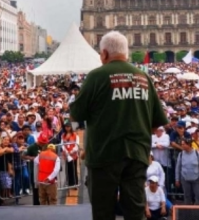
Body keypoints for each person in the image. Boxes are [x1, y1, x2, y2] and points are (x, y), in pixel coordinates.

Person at [69, 31, 168, 220]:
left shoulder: (97, 76)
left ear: (104, 53)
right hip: (137, 155)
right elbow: (157, 123)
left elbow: (76, 114)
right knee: (135, 210)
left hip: (104, 154)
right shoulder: (144, 78)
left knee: (103, 211)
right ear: (127, 53)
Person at [174, 138, 199, 205]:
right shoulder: (181, 154)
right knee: (187, 197)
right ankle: (187, 213)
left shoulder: (197, 153)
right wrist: (177, 179)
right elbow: (178, 167)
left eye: (183, 144)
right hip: (185, 179)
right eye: (181, 144)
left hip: (196, 179)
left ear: (188, 145)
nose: (182, 146)